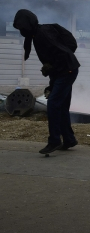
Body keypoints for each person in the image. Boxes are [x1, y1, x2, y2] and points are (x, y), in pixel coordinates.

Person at [13, 9, 80, 154]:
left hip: (66, 70)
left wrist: (51, 67)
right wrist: (51, 76)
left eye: (21, 27)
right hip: (65, 70)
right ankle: (69, 139)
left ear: (28, 24)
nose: (21, 31)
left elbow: (62, 53)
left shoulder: (43, 34)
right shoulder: (38, 34)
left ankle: (55, 140)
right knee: (60, 106)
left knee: (53, 104)